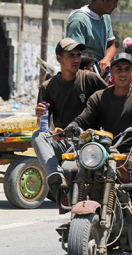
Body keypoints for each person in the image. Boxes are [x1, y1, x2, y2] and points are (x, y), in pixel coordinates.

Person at [63, 52, 132, 248]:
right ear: (111, 72)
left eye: (127, 69)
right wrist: (69, 128)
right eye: (118, 69)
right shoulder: (99, 97)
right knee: (76, 171)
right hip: (103, 150)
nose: (122, 73)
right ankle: (76, 217)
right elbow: (82, 119)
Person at [31, 38, 107, 196]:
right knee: (38, 135)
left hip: (88, 141)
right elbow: (43, 125)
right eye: (70, 55)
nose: (76, 59)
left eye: (78, 55)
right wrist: (40, 115)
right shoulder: (47, 87)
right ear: (59, 59)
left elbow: (111, 99)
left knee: (69, 168)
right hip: (64, 140)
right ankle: (54, 175)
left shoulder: (89, 79)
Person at [66, 0, 117, 73]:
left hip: (101, 70)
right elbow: (75, 54)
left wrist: (107, 59)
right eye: (114, 2)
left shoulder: (106, 17)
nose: (115, 6)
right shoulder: (78, 20)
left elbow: (111, 45)